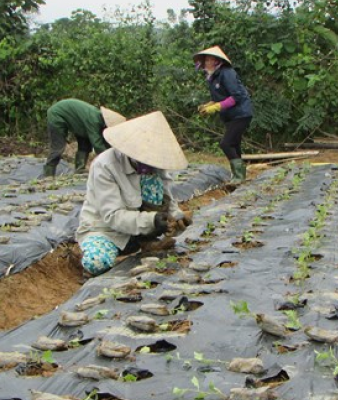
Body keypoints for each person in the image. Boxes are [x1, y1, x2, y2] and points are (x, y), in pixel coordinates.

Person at [75, 110, 192, 276]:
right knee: (96, 262)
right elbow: (112, 216)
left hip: (138, 233)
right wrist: (152, 220)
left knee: (154, 184)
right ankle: (87, 252)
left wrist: (177, 217)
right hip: (106, 231)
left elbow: (167, 198)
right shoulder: (105, 165)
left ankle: (147, 242)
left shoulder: (156, 167)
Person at [193, 46, 254, 184]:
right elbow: (220, 97)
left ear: (217, 61)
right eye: (205, 60)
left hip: (241, 113)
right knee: (234, 144)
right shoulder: (213, 77)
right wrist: (209, 105)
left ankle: (239, 176)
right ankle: (239, 176)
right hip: (230, 115)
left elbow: (236, 96)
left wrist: (217, 107)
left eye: (209, 60)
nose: (206, 63)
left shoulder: (227, 73)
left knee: (226, 144)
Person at [43, 98, 127, 177]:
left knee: (85, 144)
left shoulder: (98, 120)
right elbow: (97, 144)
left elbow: (105, 142)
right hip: (57, 114)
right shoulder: (95, 120)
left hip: (77, 122)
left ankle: (79, 169)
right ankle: (49, 174)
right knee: (58, 147)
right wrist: (112, 160)